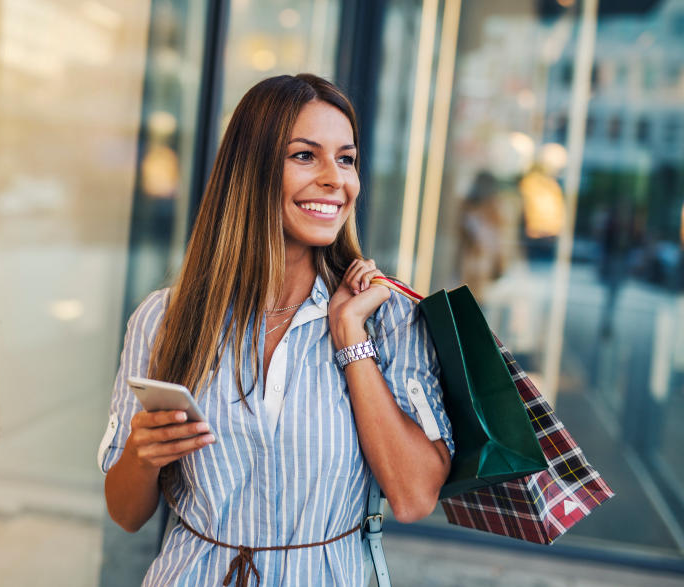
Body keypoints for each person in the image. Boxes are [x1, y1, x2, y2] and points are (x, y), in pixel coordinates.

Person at [99, 74, 453, 585]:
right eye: (305, 156)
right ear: (252, 171)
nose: (336, 179)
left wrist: (350, 334)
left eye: (347, 158)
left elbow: (414, 497)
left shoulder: (386, 316)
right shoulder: (165, 318)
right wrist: (141, 455)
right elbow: (126, 514)